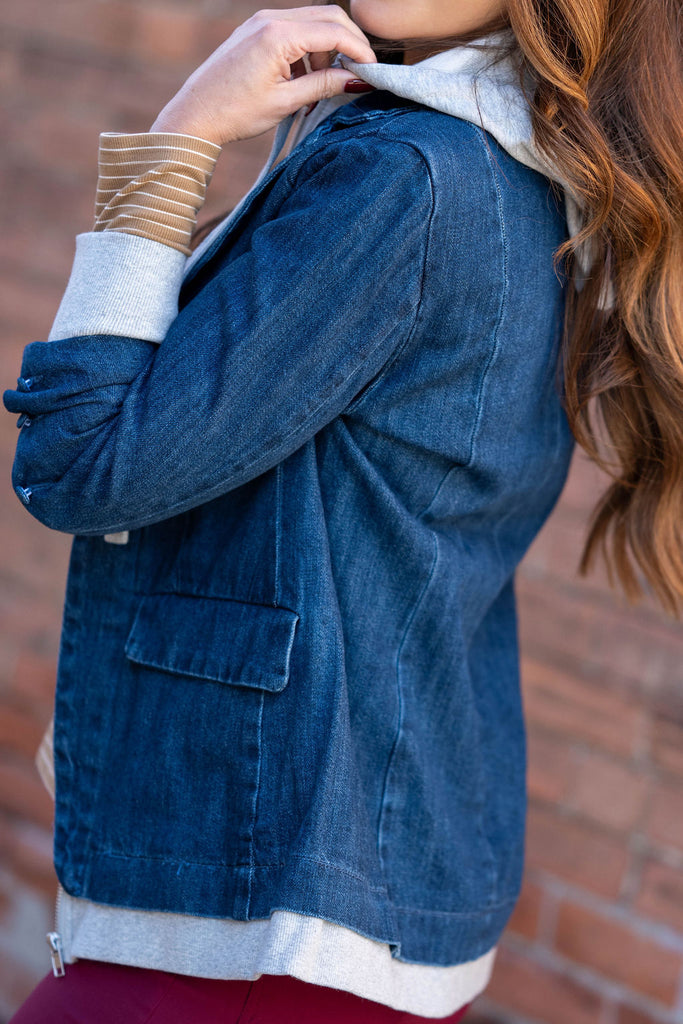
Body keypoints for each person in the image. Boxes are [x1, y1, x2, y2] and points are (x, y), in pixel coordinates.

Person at [4, 0, 683, 1020]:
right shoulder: (528, 177)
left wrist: (180, 134)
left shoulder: (407, 179)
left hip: (252, 928)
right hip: (371, 898)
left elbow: (81, 464)